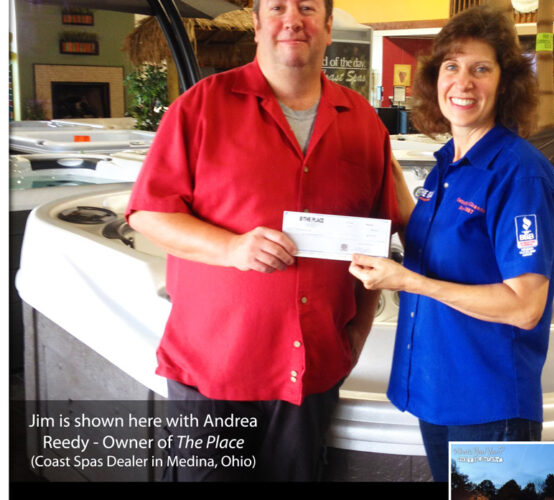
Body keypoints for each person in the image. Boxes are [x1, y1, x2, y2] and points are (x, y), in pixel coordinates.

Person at [126, 0, 399, 481]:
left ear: (328, 27)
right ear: (256, 25)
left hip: (311, 372)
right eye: (277, 7)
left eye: (307, 8)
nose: (292, 19)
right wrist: (232, 248)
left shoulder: (362, 120)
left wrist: (356, 336)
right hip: (215, 367)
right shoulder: (201, 106)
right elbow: (149, 213)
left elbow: (376, 237)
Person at [349, 5, 554, 482]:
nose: (463, 82)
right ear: (435, 79)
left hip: (489, 404)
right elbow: (427, 237)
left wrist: (408, 282)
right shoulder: (450, 163)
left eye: (480, 69)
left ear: (505, 84)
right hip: (439, 389)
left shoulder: (519, 174)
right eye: (451, 66)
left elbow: (524, 307)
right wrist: (379, 157)